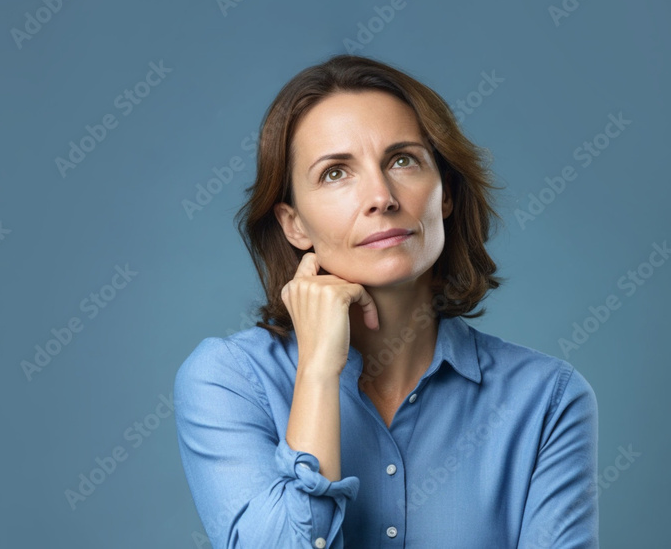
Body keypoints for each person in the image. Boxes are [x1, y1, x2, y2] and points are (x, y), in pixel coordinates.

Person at [173, 54, 599, 549]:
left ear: (445, 194)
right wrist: (317, 371)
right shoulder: (227, 381)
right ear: (295, 224)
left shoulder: (548, 401)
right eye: (335, 173)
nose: (381, 196)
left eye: (403, 160)